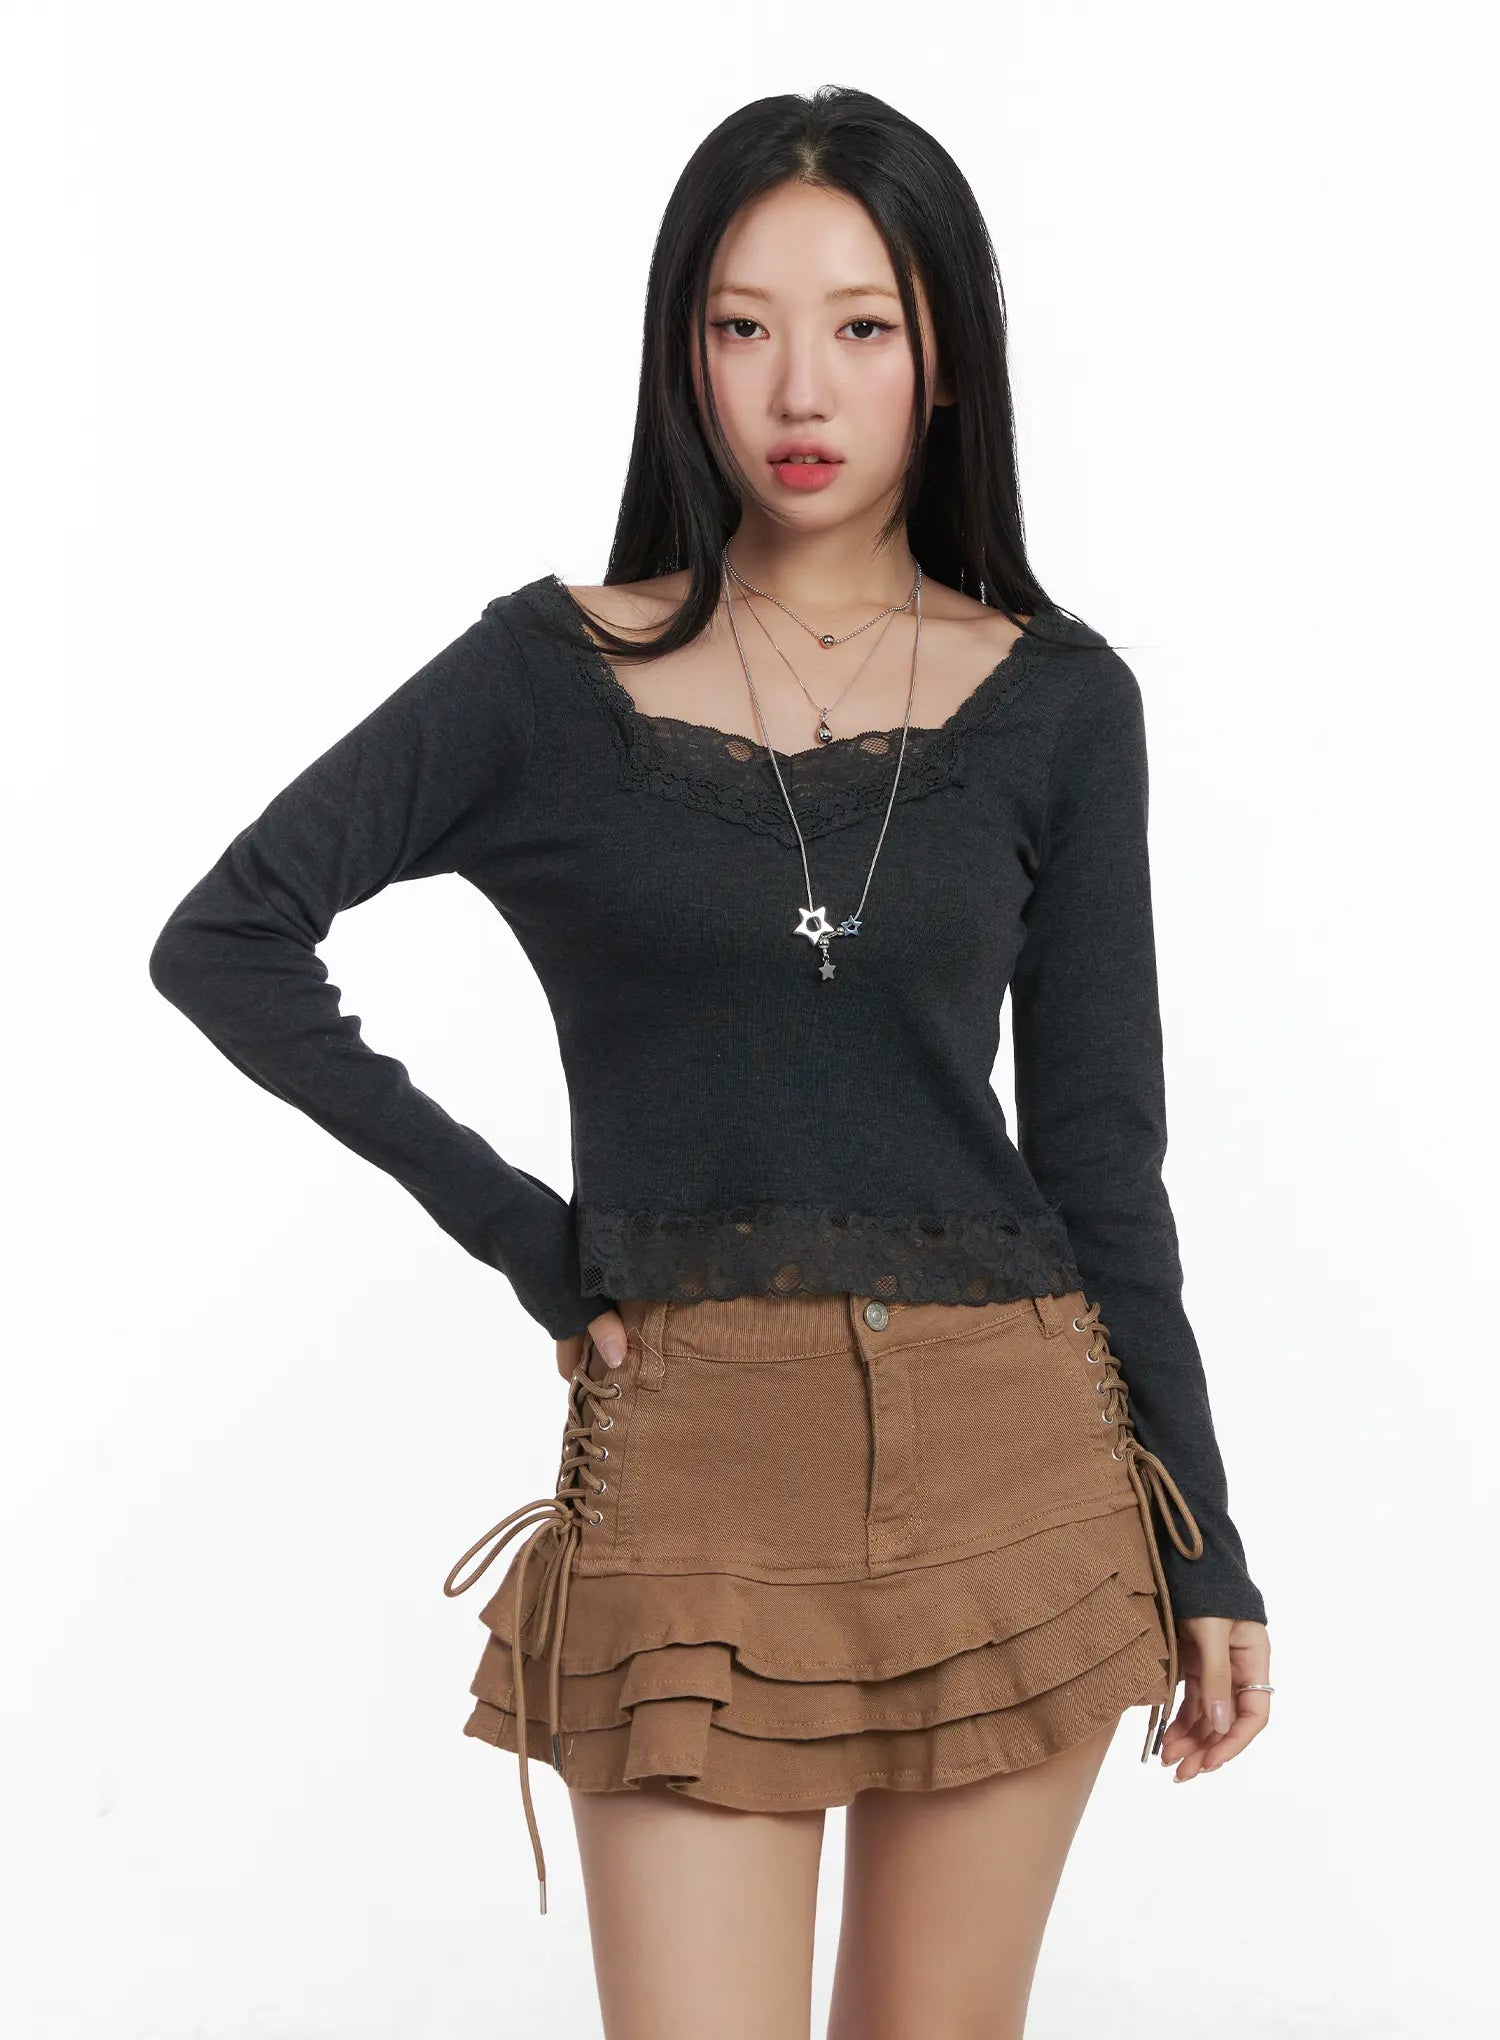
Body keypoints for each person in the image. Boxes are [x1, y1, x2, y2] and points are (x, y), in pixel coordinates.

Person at [148, 84, 1272, 2040]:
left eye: (863, 325)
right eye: (742, 324)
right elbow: (229, 937)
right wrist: (529, 1236)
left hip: (1018, 1462)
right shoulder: (548, 678)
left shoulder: (1065, 704)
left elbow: (1104, 1157)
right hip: (695, 1471)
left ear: (946, 358)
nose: (798, 386)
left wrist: (1210, 1545)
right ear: (684, 351)